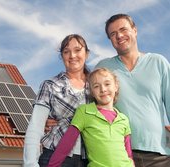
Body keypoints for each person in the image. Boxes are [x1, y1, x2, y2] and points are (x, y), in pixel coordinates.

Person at [95, 13, 170, 167]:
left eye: (123, 29)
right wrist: (54, 121)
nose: (119, 36)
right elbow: (86, 103)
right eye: (113, 34)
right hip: (119, 153)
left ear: (135, 30)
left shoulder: (158, 62)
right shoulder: (103, 67)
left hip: (159, 155)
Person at [23, 34, 91, 167]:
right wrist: (30, 163)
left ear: (86, 54)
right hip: (55, 156)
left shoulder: (97, 86)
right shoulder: (49, 85)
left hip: (90, 159)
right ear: (62, 57)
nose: (72, 55)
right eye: (66, 52)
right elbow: (35, 127)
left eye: (77, 50)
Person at [48, 67, 134, 167]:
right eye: (96, 86)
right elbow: (67, 143)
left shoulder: (124, 119)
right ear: (92, 92)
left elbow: (129, 154)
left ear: (116, 86)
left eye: (107, 84)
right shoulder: (84, 111)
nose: (103, 89)